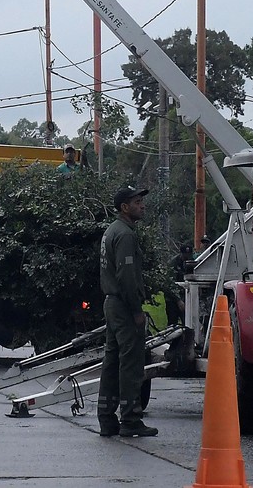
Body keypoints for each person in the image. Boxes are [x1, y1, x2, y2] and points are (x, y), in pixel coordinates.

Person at [97, 185, 156, 437]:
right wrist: (136, 311)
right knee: (131, 363)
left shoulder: (112, 231)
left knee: (112, 361)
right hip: (123, 305)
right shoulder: (125, 235)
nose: (142, 205)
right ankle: (131, 419)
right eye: (137, 201)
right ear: (124, 207)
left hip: (111, 303)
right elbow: (127, 277)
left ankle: (106, 418)